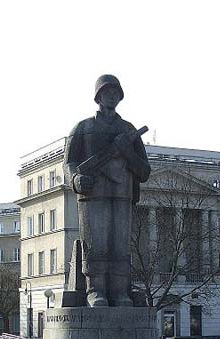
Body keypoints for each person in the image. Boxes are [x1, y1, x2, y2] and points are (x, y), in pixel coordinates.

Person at [63, 74, 150, 307]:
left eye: (115, 92)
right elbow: (69, 163)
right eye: (107, 92)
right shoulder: (83, 128)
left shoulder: (128, 130)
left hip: (122, 196)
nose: (111, 96)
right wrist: (76, 180)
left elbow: (144, 170)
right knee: (96, 243)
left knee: (120, 244)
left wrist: (127, 152)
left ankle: (120, 291)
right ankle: (95, 290)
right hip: (92, 196)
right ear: (98, 96)